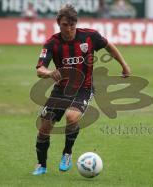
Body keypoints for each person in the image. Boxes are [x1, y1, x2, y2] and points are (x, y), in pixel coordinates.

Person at [32, 4, 131, 175]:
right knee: (44, 128)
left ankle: (67, 153)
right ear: (58, 23)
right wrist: (49, 72)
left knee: (72, 116)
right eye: (65, 25)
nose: (69, 28)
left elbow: (109, 45)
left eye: (72, 24)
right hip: (61, 90)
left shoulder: (89, 36)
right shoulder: (52, 43)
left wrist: (124, 64)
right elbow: (40, 70)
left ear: (76, 23)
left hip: (84, 89)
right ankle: (41, 165)